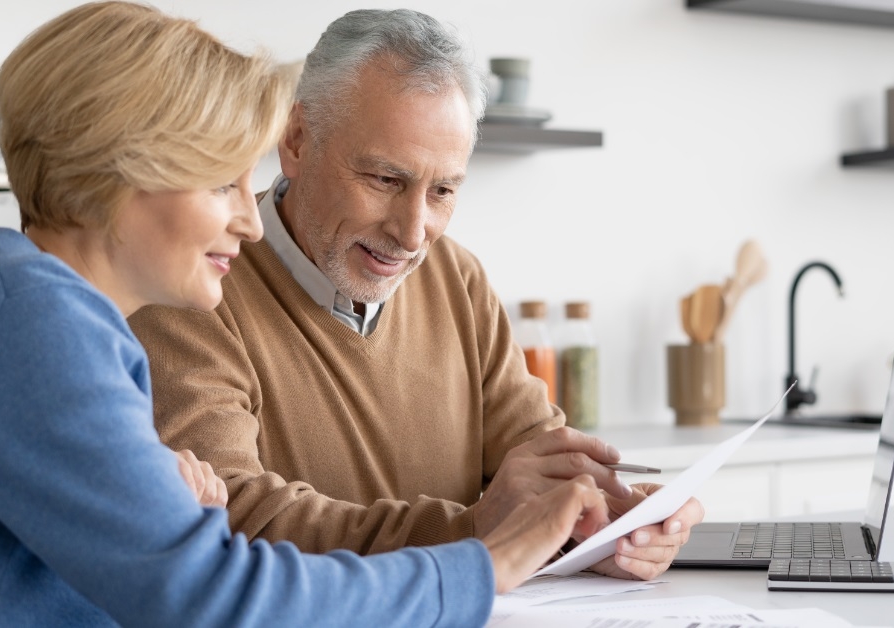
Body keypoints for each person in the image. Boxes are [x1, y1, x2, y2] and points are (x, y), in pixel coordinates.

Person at [0, 3, 612, 626]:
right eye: (221, 182)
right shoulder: (33, 327)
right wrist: (483, 565)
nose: (251, 220)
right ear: (122, 177)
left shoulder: (27, 308)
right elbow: (214, 597)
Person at [129, 7, 703, 580]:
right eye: (385, 180)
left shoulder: (458, 278)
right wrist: (475, 535)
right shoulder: (191, 285)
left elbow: (538, 457)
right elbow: (235, 515)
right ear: (298, 141)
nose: (411, 232)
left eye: (444, 190)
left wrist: (612, 520)